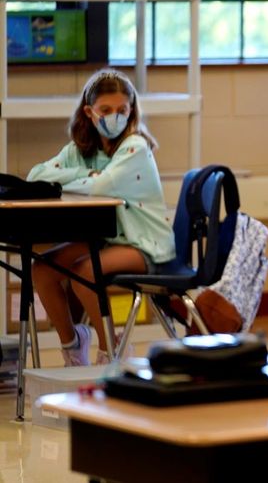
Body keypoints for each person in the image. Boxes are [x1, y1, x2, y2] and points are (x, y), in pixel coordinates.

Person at [28, 68, 175, 367]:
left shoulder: (136, 146)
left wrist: (83, 179)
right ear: (89, 112)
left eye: (122, 110)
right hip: (107, 240)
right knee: (41, 270)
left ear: (131, 111)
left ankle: (114, 350)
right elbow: (36, 176)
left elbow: (103, 185)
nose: (115, 116)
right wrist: (85, 173)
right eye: (106, 110)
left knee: (85, 271)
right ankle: (73, 344)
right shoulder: (81, 151)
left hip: (146, 244)